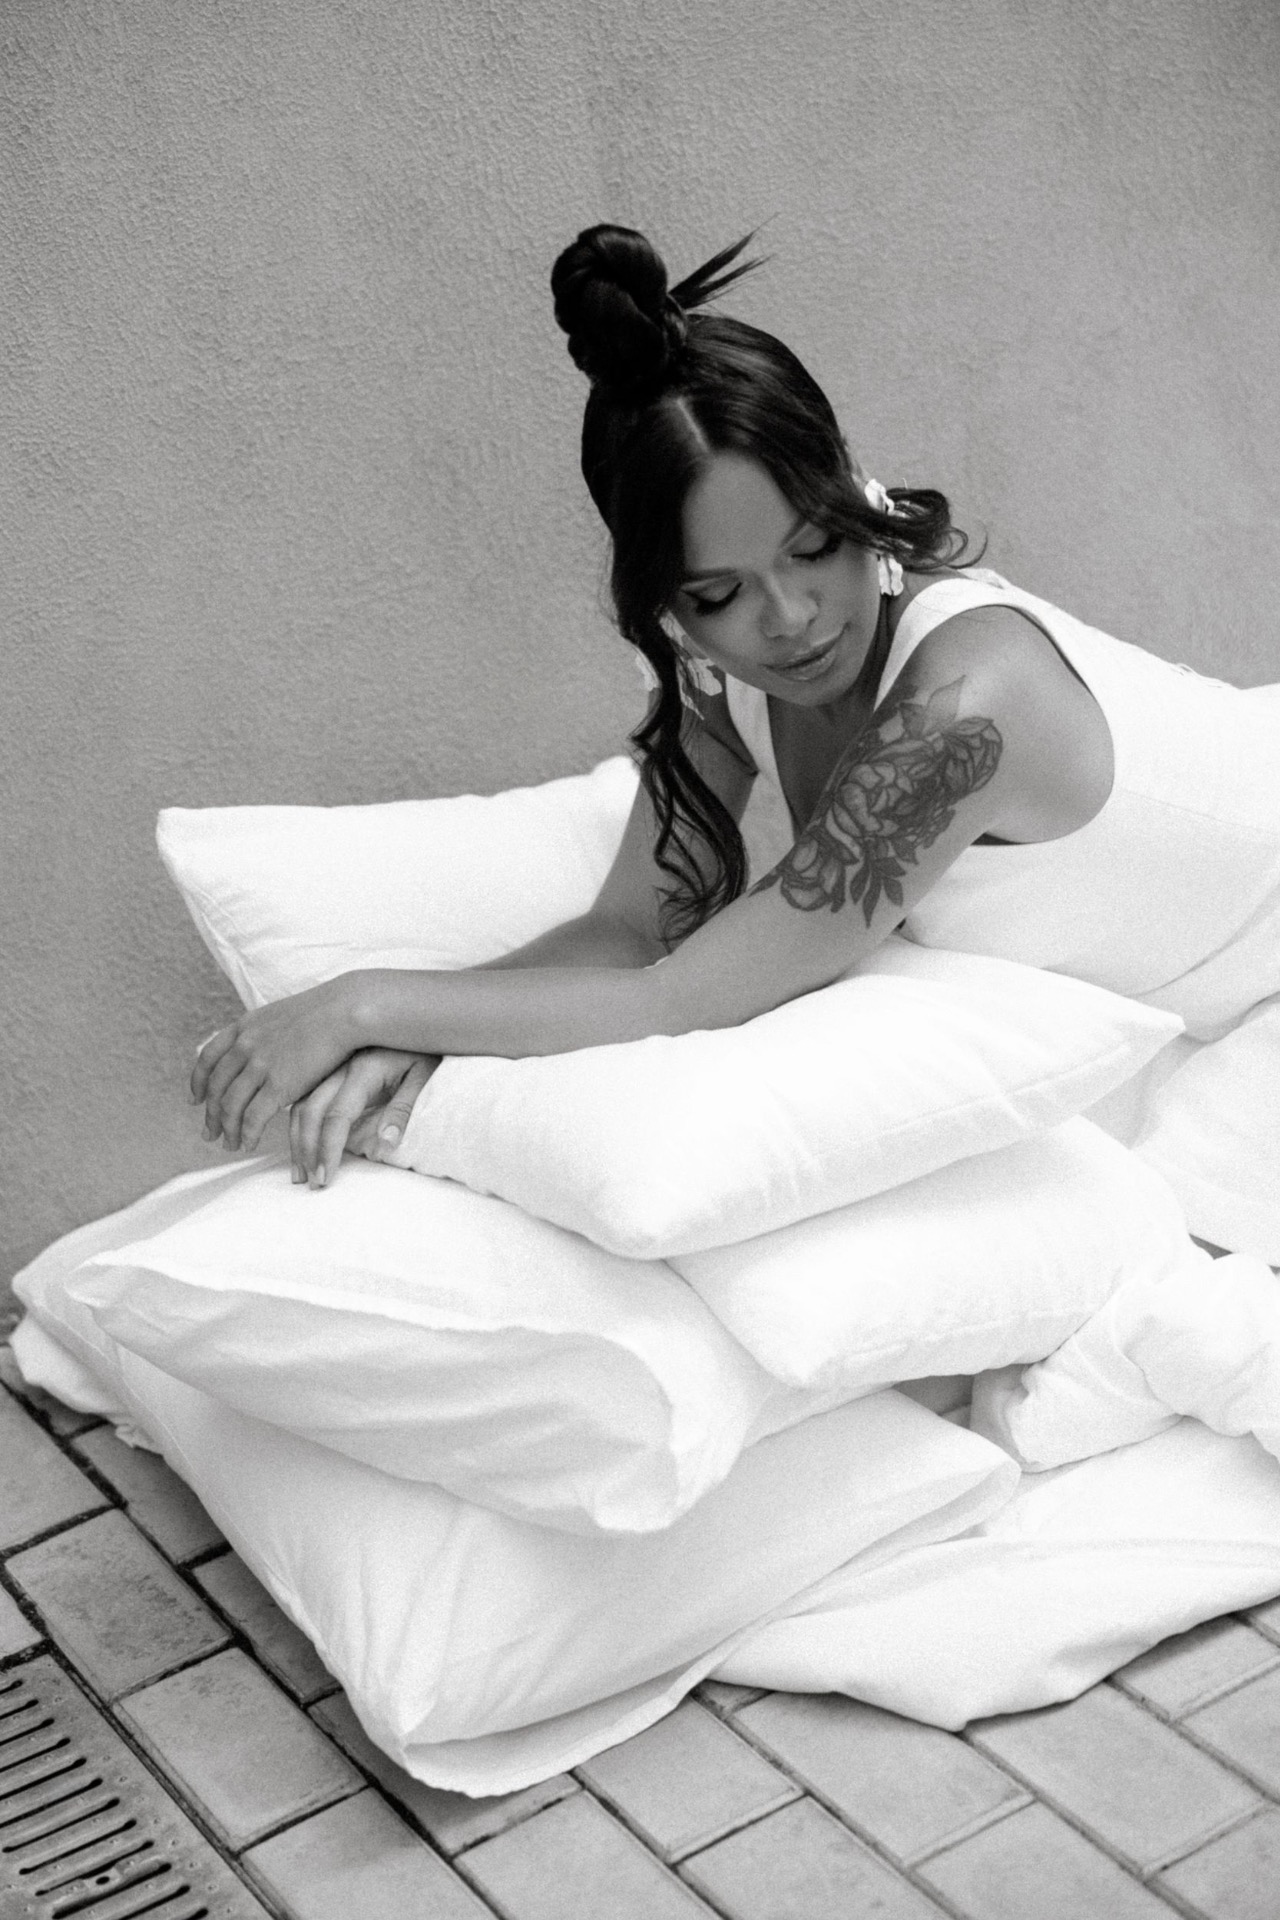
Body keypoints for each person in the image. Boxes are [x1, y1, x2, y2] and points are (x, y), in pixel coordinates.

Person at [192, 223, 1280, 1232]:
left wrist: (363, 1006)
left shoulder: (964, 705)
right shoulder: (723, 684)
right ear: (666, 605)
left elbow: (681, 997)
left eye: (814, 548)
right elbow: (632, 933)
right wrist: (412, 1035)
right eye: (720, 595)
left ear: (850, 487)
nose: (790, 618)